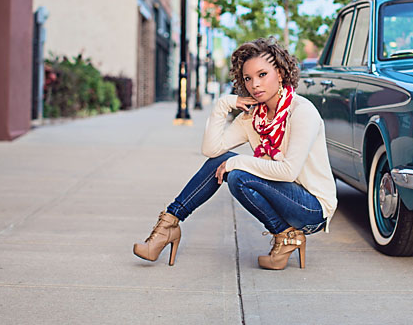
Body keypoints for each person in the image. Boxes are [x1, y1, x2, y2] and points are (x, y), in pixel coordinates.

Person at [133, 37, 337, 270]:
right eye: (248, 78)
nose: (255, 85)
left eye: (262, 75)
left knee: (238, 174)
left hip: (312, 209)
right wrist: (223, 104)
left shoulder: (302, 112)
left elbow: (288, 172)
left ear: (280, 74)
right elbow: (212, 150)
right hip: (283, 195)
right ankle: (169, 224)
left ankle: (284, 235)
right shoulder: (253, 118)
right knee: (223, 161)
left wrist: (237, 162)